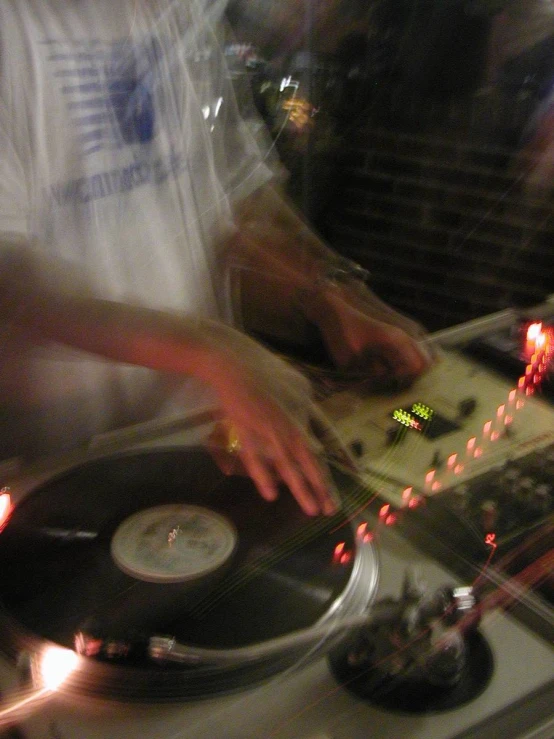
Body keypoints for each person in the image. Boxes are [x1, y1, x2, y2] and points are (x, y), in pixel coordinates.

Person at [0, 0, 431, 517]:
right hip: (59, 477)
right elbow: (13, 283)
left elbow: (237, 201)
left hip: (212, 443)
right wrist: (213, 353)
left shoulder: (177, 15)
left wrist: (330, 296)